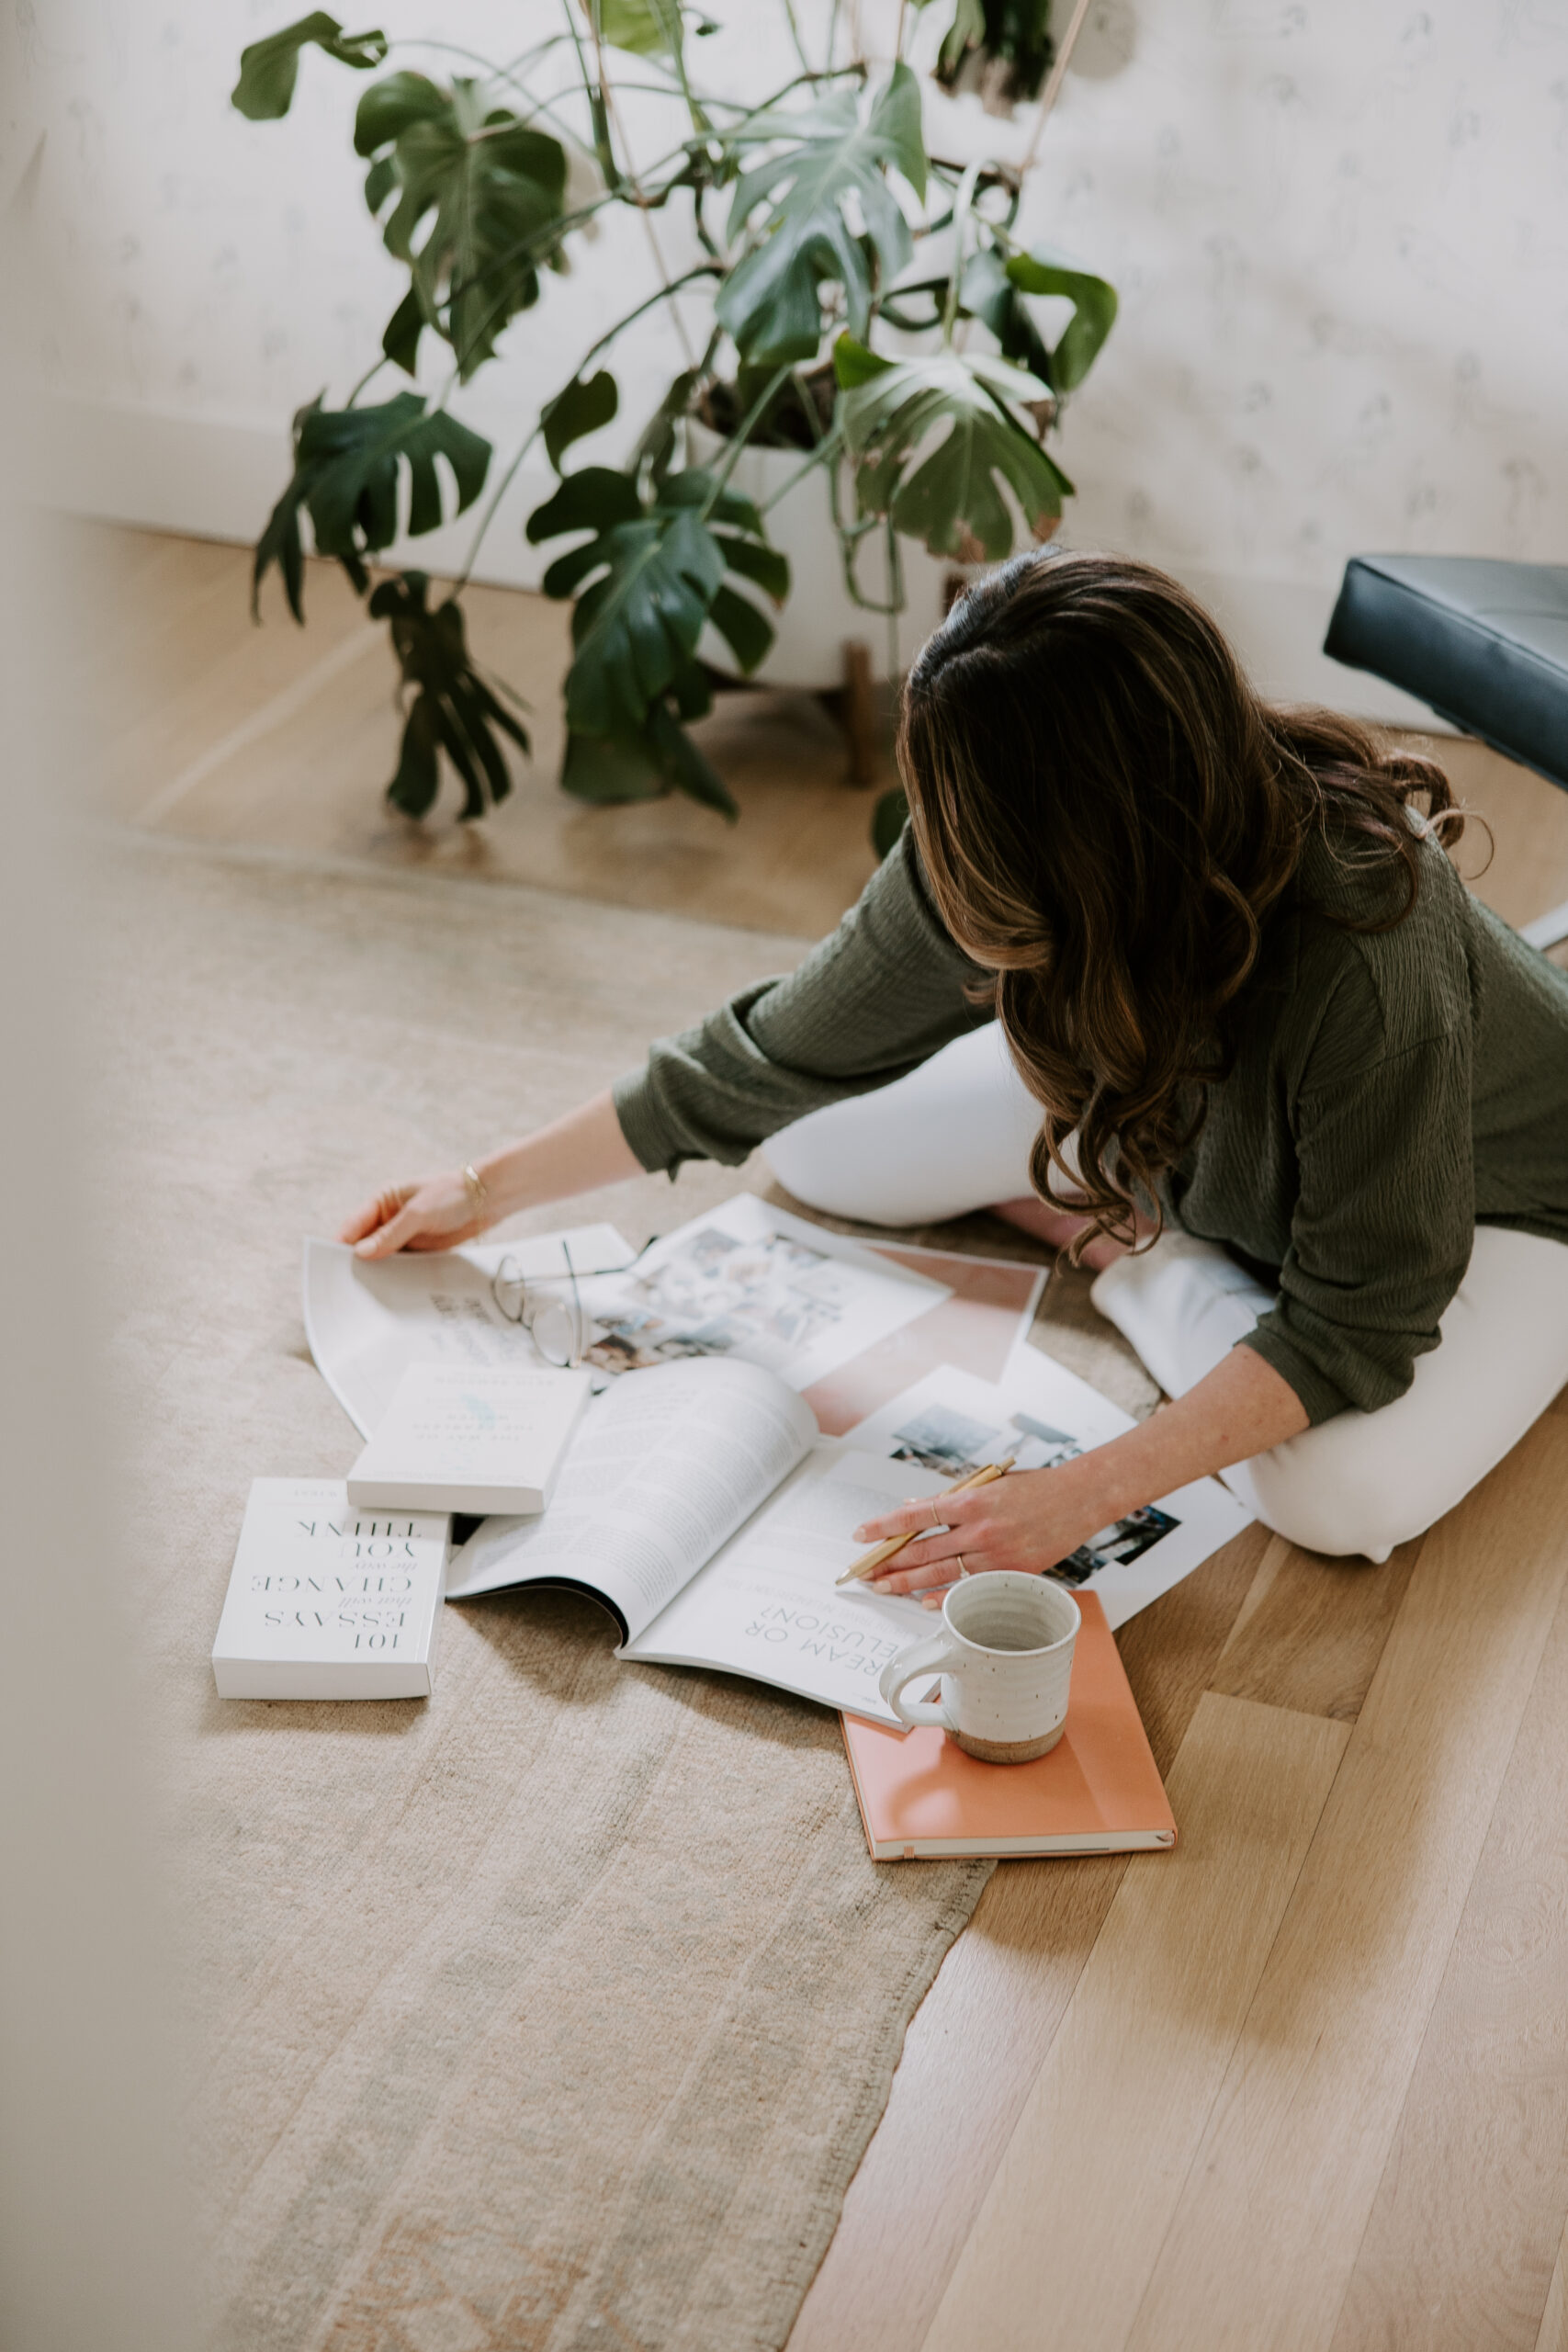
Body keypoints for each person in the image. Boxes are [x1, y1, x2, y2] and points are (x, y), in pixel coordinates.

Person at [341, 552, 1568, 1601]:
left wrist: (1075, 1494)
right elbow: (773, 1055)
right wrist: (484, 1188)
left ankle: (1144, 1260)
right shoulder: (995, 830)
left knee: (1344, 1497)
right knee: (817, 1145)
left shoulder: (1365, 951)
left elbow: (1363, 1321)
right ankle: (1143, 1225)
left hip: (1494, 1203)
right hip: (1191, 1121)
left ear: (1088, 859)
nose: (929, 850)